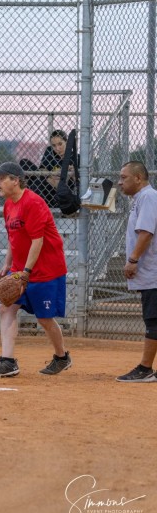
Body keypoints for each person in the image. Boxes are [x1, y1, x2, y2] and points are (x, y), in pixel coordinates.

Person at [0, 162, 71, 378]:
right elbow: (13, 238)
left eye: (2, 178)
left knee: (44, 319)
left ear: (16, 180)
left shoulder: (33, 203)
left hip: (45, 271)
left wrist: (26, 272)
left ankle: (62, 357)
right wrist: (7, 265)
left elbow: (37, 241)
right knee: (6, 308)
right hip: (22, 270)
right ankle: (8, 361)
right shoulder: (8, 205)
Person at [115, 161, 157, 382]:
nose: (120, 182)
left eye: (124, 178)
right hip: (151, 271)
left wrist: (132, 260)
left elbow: (146, 233)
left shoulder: (148, 197)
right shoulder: (141, 199)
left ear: (138, 178)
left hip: (152, 271)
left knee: (153, 321)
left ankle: (145, 368)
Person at [20, 129, 78, 208]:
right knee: (24, 163)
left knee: (37, 183)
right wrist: (50, 178)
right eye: (54, 145)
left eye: (60, 144)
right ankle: (30, 199)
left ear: (66, 142)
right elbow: (42, 170)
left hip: (59, 193)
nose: (57, 148)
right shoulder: (50, 151)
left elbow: (77, 183)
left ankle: (33, 200)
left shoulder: (75, 157)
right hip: (46, 184)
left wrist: (72, 173)